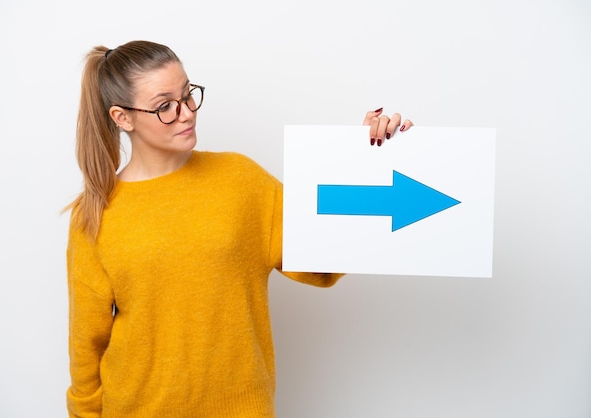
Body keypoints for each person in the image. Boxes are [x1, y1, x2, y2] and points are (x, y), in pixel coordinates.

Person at [65, 40, 412, 418]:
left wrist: (366, 160)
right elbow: (87, 346)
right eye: (165, 106)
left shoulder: (240, 180)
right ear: (122, 117)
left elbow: (321, 263)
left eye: (188, 95)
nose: (186, 114)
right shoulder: (95, 213)